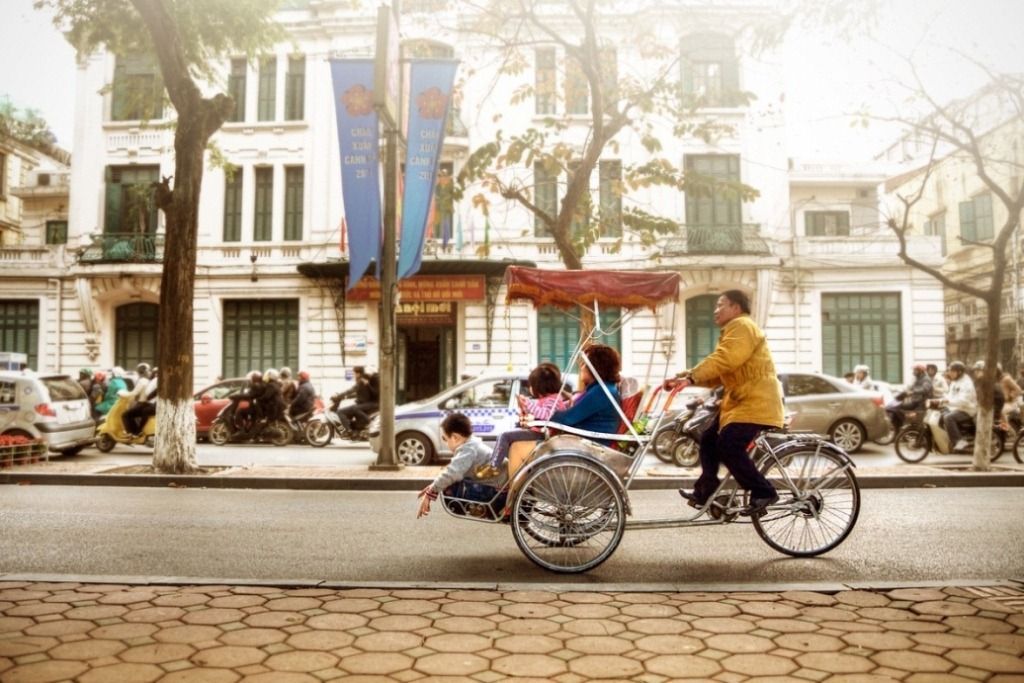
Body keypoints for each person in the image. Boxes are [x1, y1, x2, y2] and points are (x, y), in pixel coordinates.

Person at [669, 290, 784, 517]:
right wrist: (685, 377)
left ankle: (764, 491)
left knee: (728, 446)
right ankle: (707, 487)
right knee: (709, 439)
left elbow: (725, 359)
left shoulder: (742, 326)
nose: (715, 310)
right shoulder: (736, 329)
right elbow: (721, 371)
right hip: (741, 403)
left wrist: (691, 377)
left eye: (721, 304)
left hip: (755, 403)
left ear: (736, 308)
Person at [477, 363, 568, 478]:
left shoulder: (553, 400)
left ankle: (493, 466)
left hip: (542, 434)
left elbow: (545, 416)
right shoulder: (551, 398)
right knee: (513, 431)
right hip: (540, 431)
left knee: (504, 435)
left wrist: (528, 404)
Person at [417, 412, 496, 519]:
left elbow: (451, 473)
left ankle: (472, 508)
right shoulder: (472, 444)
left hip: (495, 492)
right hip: (496, 486)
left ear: (455, 437)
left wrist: (430, 493)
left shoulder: (468, 449)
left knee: (450, 482)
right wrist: (434, 486)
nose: (446, 443)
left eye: (445, 439)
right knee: (447, 476)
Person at [548, 344, 623, 446]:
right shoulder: (601, 388)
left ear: (595, 367)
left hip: (590, 445)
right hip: (584, 440)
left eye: (584, 364)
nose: (581, 367)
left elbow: (567, 419)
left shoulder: (601, 392)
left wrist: (544, 414)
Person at [940, 361, 977, 452]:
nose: (950, 373)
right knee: (940, 413)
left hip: (967, 409)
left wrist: (947, 401)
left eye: (952, 371)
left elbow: (963, 400)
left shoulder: (966, 383)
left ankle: (959, 441)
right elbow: (950, 396)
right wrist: (941, 400)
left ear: (959, 372)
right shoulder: (955, 381)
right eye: (949, 371)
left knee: (949, 418)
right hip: (956, 407)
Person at [338, 366, 380, 435]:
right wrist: (346, 397)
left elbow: (351, 390)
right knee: (349, 410)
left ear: (358, 374)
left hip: (368, 403)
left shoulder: (361, 381)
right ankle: (353, 429)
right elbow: (358, 393)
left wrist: (339, 395)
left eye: (354, 373)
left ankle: (348, 431)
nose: (353, 375)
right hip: (363, 402)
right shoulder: (363, 380)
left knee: (340, 411)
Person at [123, 367, 158, 437]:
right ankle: (135, 431)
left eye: (154, 372)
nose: (152, 374)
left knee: (127, 414)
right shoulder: (151, 380)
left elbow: (152, 393)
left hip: (150, 404)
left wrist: (148, 397)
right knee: (132, 412)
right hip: (148, 403)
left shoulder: (150, 380)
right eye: (153, 372)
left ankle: (136, 431)